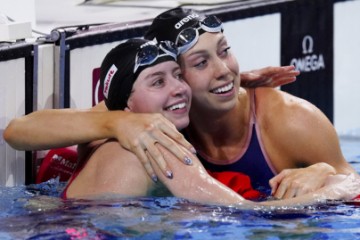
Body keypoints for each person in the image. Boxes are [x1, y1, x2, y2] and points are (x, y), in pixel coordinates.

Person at [3, 8, 347, 199]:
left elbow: (352, 181)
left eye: (225, 51)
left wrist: (323, 170)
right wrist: (115, 122)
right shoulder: (156, 110)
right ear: (172, 74)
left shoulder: (291, 120)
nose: (223, 71)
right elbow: (19, 131)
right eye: (200, 63)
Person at [59, 37, 360, 206]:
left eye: (177, 76)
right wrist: (331, 190)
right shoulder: (154, 146)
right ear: (124, 105)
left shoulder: (104, 139)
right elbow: (246, 212)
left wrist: (322, 170)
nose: (177, 88)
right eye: (157, 82)